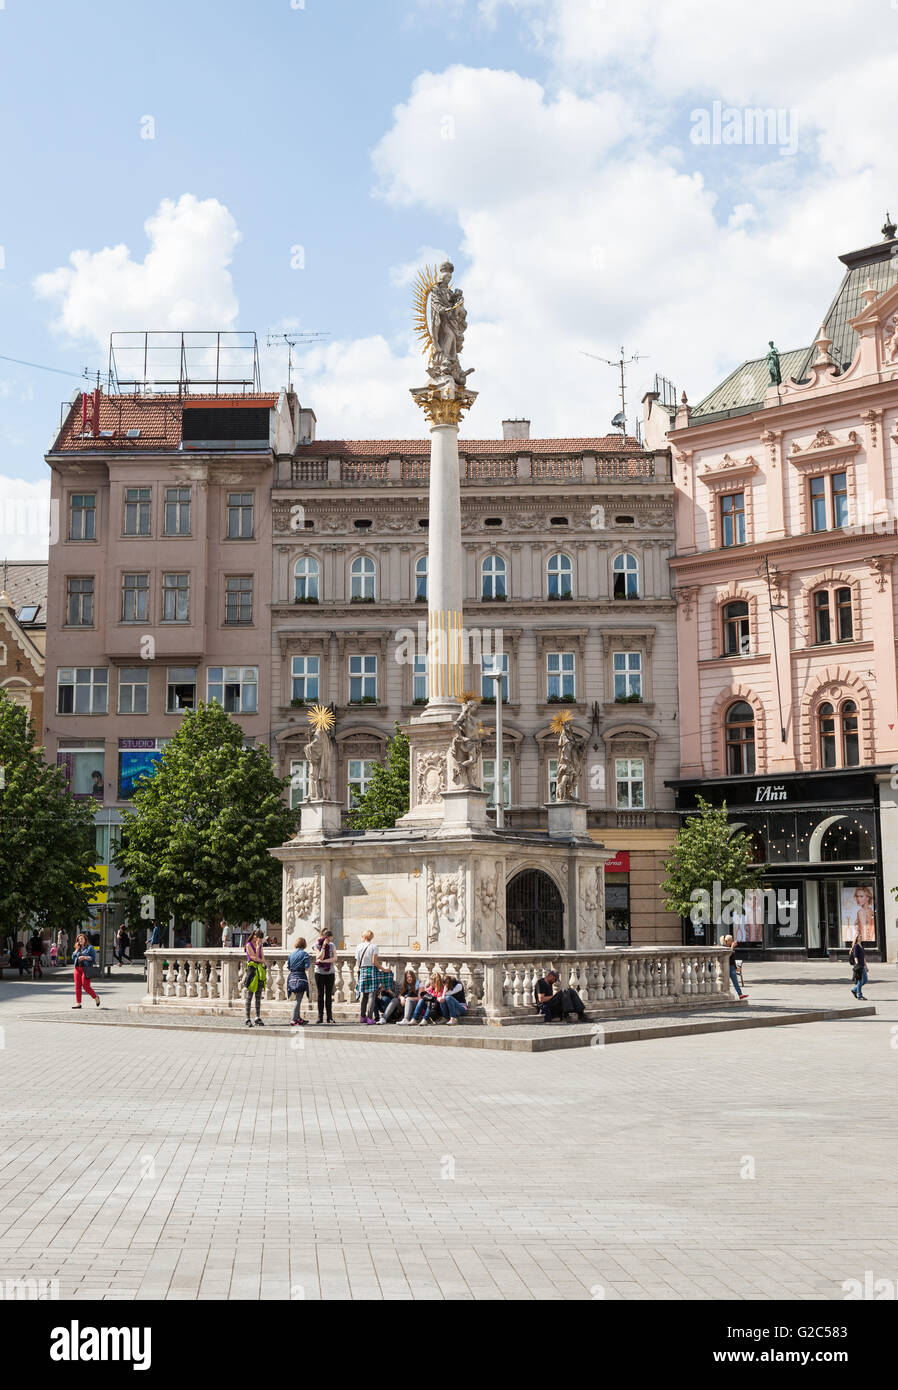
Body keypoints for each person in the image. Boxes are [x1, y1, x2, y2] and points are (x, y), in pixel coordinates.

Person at [355, 930, 387, 1025]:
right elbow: (374, 962)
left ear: (364, 937)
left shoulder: (358, 946)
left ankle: (362, 1017)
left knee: (364, 996)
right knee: (371, 996)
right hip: (372, 971)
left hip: (363, 970)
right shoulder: (374, 947)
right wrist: (383, 969)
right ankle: (369, 1018)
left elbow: (357, 962)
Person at [244, 928, 267, 1028]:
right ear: (255, 937)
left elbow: (262, 960)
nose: (260, 942)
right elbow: (254, 958)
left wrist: (259, 955)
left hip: (259, 972)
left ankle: (257, 1017)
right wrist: (257, 948)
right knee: (249, 996)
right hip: (252, 972)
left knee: (258, 996)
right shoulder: (248, 945)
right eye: (259, 939)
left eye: (261, 940)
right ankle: (247, 1018)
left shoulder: (260, 945)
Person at [71, 933, 101, 1009]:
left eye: (81, 939)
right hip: (77, 969)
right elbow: (73, 957)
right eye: (78, 939)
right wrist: (76, 949)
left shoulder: (90, 948)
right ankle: (78, 1003)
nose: (80, 940)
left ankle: (96, 997)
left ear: (85, 940)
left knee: (86, 986)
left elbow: (93, 958)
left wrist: (84, 957)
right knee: (77, 986)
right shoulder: (77, 948)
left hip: (86, 969)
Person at [313, 928, 336, 1024]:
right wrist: (323, 946)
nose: (330, 940)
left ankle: (329, 1016)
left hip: (330, 972)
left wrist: (324, 961)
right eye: (329, 938)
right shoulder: (316, 945)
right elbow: (319, 956)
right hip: (319, 972)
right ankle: (320, 1016)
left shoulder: (332, 945)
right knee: (320, 994)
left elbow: (335, 958)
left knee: (329, 995)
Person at [287, 935, 311, 1027]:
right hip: (300, 977)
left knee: (298, 999)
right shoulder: (305, 954)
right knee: (298, 999)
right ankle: (293, 1019)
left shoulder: (291, 954)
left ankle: (298, 1018)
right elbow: (307, 966)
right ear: (304, 944)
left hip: (292, 977)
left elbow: (288, 966)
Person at [722, 934, 748, 1002]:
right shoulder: (724, 947)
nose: (732, 941)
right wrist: (732, 946)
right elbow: (728, 955)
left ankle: (740, 994)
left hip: (732, 966)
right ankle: (739, 994)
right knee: (731, 982)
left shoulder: (728, 947)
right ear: (728, 941)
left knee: (734, 982)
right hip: (729, 967)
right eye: (731, 940)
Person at [849, 930, 868, 1001]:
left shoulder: (861, 946)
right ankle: (859, 995)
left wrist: (866, 966)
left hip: (862, 965)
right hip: (859, 965)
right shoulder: (856, 946)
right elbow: (855, 956)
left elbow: (863, 957)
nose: (861, 937)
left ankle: (854, 989)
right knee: (860, 980)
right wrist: (857, 964)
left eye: (861, 936)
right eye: (859, 936)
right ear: (856, 938)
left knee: (865, 980)